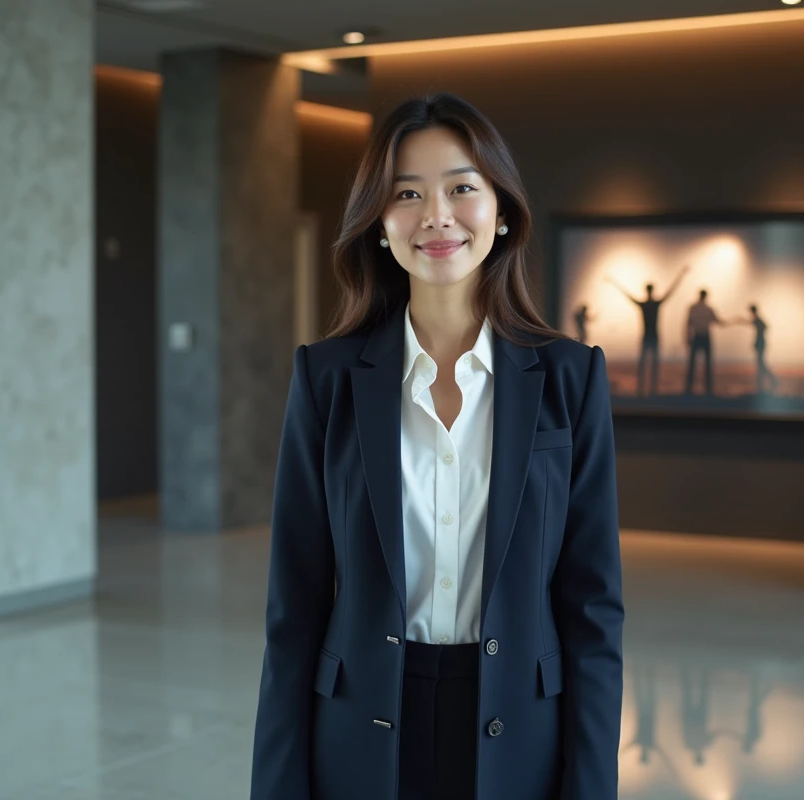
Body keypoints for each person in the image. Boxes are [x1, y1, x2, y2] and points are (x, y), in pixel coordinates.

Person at [251, 94, 624, 800]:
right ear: (380, 224)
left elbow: (594, 611)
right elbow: (292, 612)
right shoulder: (326, 378)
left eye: (461, 188)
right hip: (360, 730)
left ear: (502, 209)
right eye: (407, 194)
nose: (437, 216)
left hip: (521, 729)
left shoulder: (570, 379)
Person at [606, 264, 689, 396]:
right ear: (652, 290)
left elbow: (627, 295)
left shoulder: (644, 305)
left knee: (644, 364)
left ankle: (643, 389)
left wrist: (613, 282)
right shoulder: (655, 304)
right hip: (653, 336)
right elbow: (671, 291)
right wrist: (681, 274)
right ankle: (650, 390)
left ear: (646, 290)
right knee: (651, 364)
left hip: (647, 336)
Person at [684, 289, 726, 396]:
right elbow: (717, 321)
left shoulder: (694, 308)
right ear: (706, 296)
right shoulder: (708, 309)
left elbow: (688, 323)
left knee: (693, 364)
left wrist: (688, 337)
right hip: (704, 336)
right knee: (706, 363)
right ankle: (708, 389)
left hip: (697, 336)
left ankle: (689, 389)